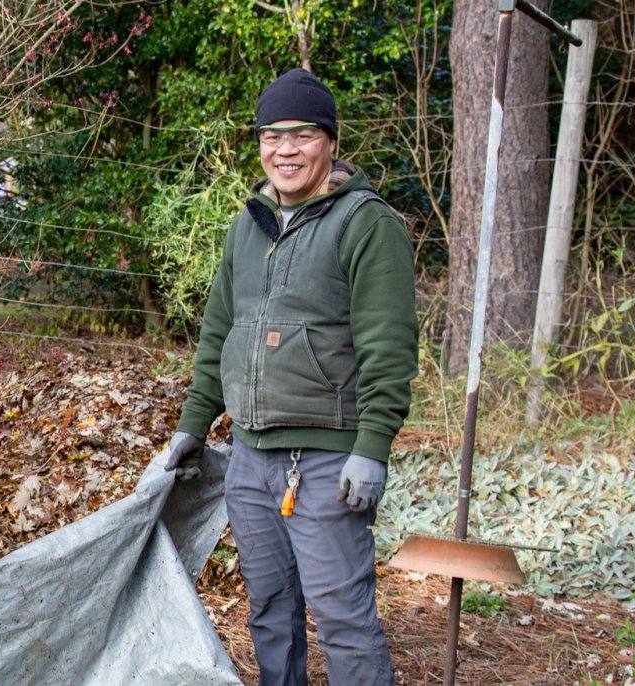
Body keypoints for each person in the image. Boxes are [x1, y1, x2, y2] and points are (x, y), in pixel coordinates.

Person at [160, 68, 418, 686]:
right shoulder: (248, 226)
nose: (286, 150)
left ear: (329, 141)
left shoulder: (364, 222)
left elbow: (389, 347)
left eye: (302, 135)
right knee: (271, 611)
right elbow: (220, 332)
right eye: (272, 137)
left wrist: (372, 449)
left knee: (343, 618)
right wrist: (194, 426)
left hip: (328, 461)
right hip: (251, 460)